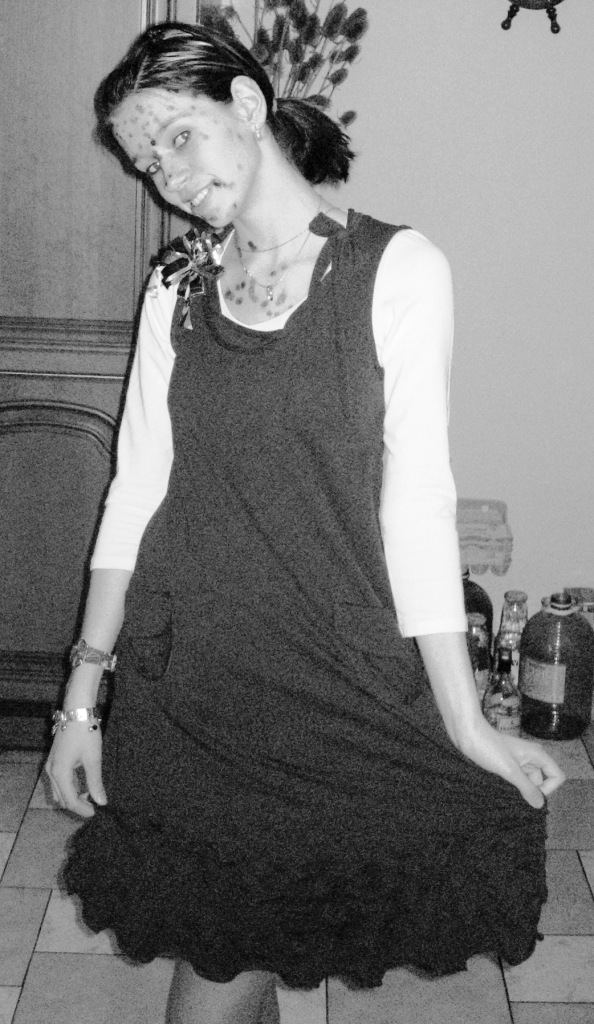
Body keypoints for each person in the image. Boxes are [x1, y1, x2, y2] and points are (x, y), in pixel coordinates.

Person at [45, 21, 565, 1024]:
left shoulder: (397, 269)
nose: (168, 177)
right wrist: (81, 697)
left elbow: (417, 501)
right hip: (194, 680)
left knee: (250, 938)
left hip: (331, 670)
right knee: (233, 938)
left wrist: (465, 718)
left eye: (178, 137)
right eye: (148, 163)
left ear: (246, 104)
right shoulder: (177, 289)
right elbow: (136, 488)